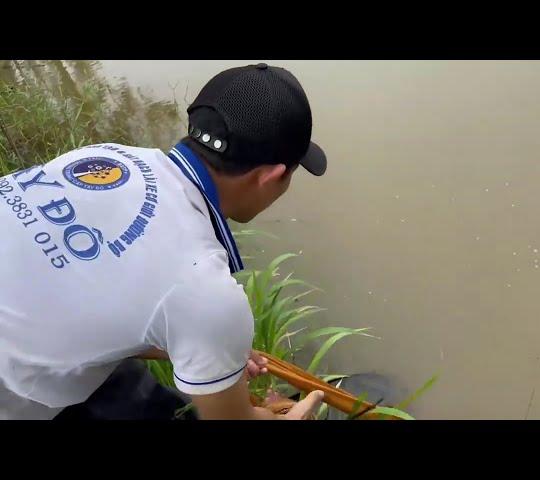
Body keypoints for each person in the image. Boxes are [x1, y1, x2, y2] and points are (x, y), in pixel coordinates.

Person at [0, 63, 327, 420]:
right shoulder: (205, 289)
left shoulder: (105, 158)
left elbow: (81, 289)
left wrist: (197, 346)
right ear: (272, 176)